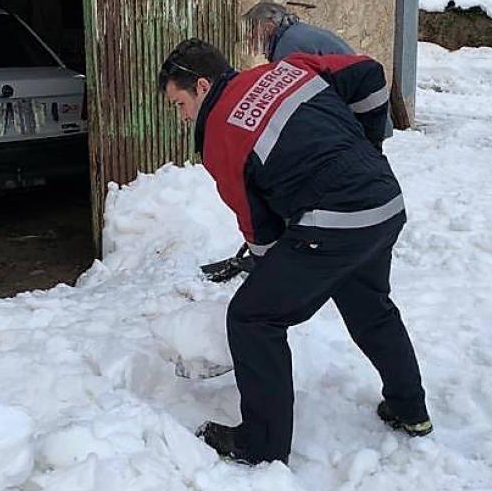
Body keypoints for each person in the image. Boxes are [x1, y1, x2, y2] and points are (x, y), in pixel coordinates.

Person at [157, 37, 431, 465]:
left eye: (180, 103)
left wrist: (270, 279)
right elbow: (369, 75)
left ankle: (261, 445)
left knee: (253, 318)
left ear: (203, 86)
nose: (183, 116)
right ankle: (409, 408)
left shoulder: (219, 136)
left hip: (334, 220)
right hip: (383, 204)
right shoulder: (286, 69)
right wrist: (368, 146)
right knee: (370, 306)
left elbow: (257, 224)